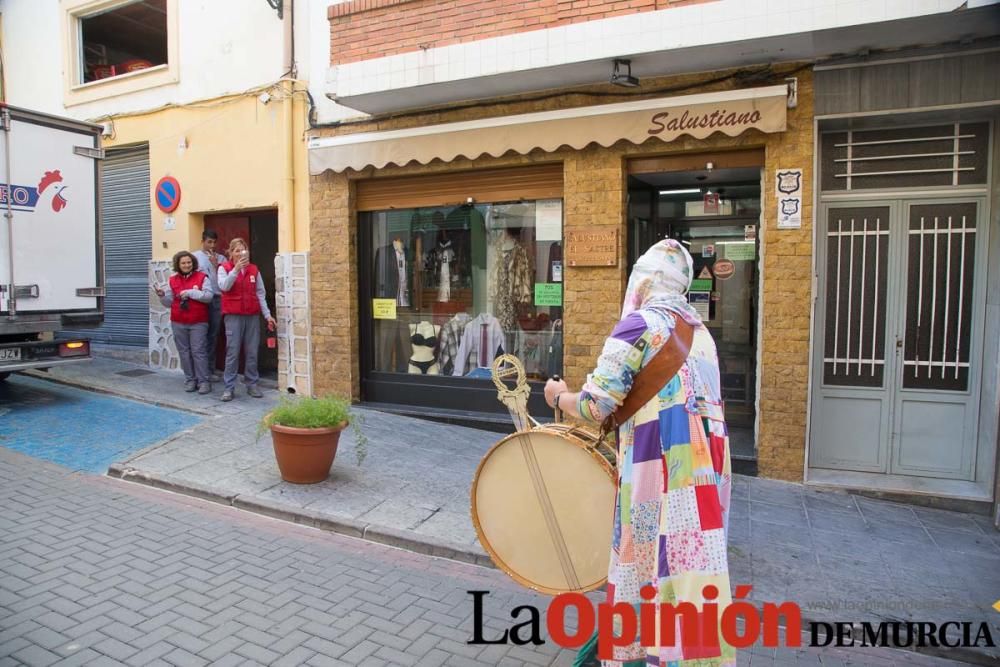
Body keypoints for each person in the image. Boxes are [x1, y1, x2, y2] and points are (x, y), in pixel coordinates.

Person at [544, 239, 734, 667]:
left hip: (658, 466)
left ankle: (645, 654)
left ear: (643, 280)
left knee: (646, 562)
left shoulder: (637, 325)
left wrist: (559, 397)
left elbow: (596, 405)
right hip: (704, 477)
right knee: (688, 573)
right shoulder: (702, 335)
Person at [217, 237, 276, 402]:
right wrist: (235, 270)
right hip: (233, 316)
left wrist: (267, 315)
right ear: (231, 253)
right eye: (237, 251)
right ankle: (229, 388)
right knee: (233, 352)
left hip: (251, 316)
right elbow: (224, 286)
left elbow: (260, 294)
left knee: (252, 351)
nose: (240, 254)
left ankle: (252, 384)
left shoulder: (254, 270)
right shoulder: (224, 268)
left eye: (243, 250)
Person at [154, 251, 214, 394]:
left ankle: (204, 381)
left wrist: (191, 293)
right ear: (178, 265)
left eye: (189, 262)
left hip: (198, 322)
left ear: (193, 263)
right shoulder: (173, 280)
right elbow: (170, 302)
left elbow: (208, 296)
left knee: (198, 352)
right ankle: (190, 380)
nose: (187, 265)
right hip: (178, 321)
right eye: (183, 263)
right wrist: (162, 296)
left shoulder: (202, 277)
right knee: (184, 352)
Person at [192, 229, 227, 382]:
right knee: (199, 336)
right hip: (200, 299)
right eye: (209, 242)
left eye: (214, 242)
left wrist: (216, 265)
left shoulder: (222, 258)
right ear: (203, 241)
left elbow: (227, 277)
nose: (212, 245)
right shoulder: (195, 257)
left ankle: (210, 370)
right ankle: (198, 371)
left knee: (213, 335)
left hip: (217, 299)